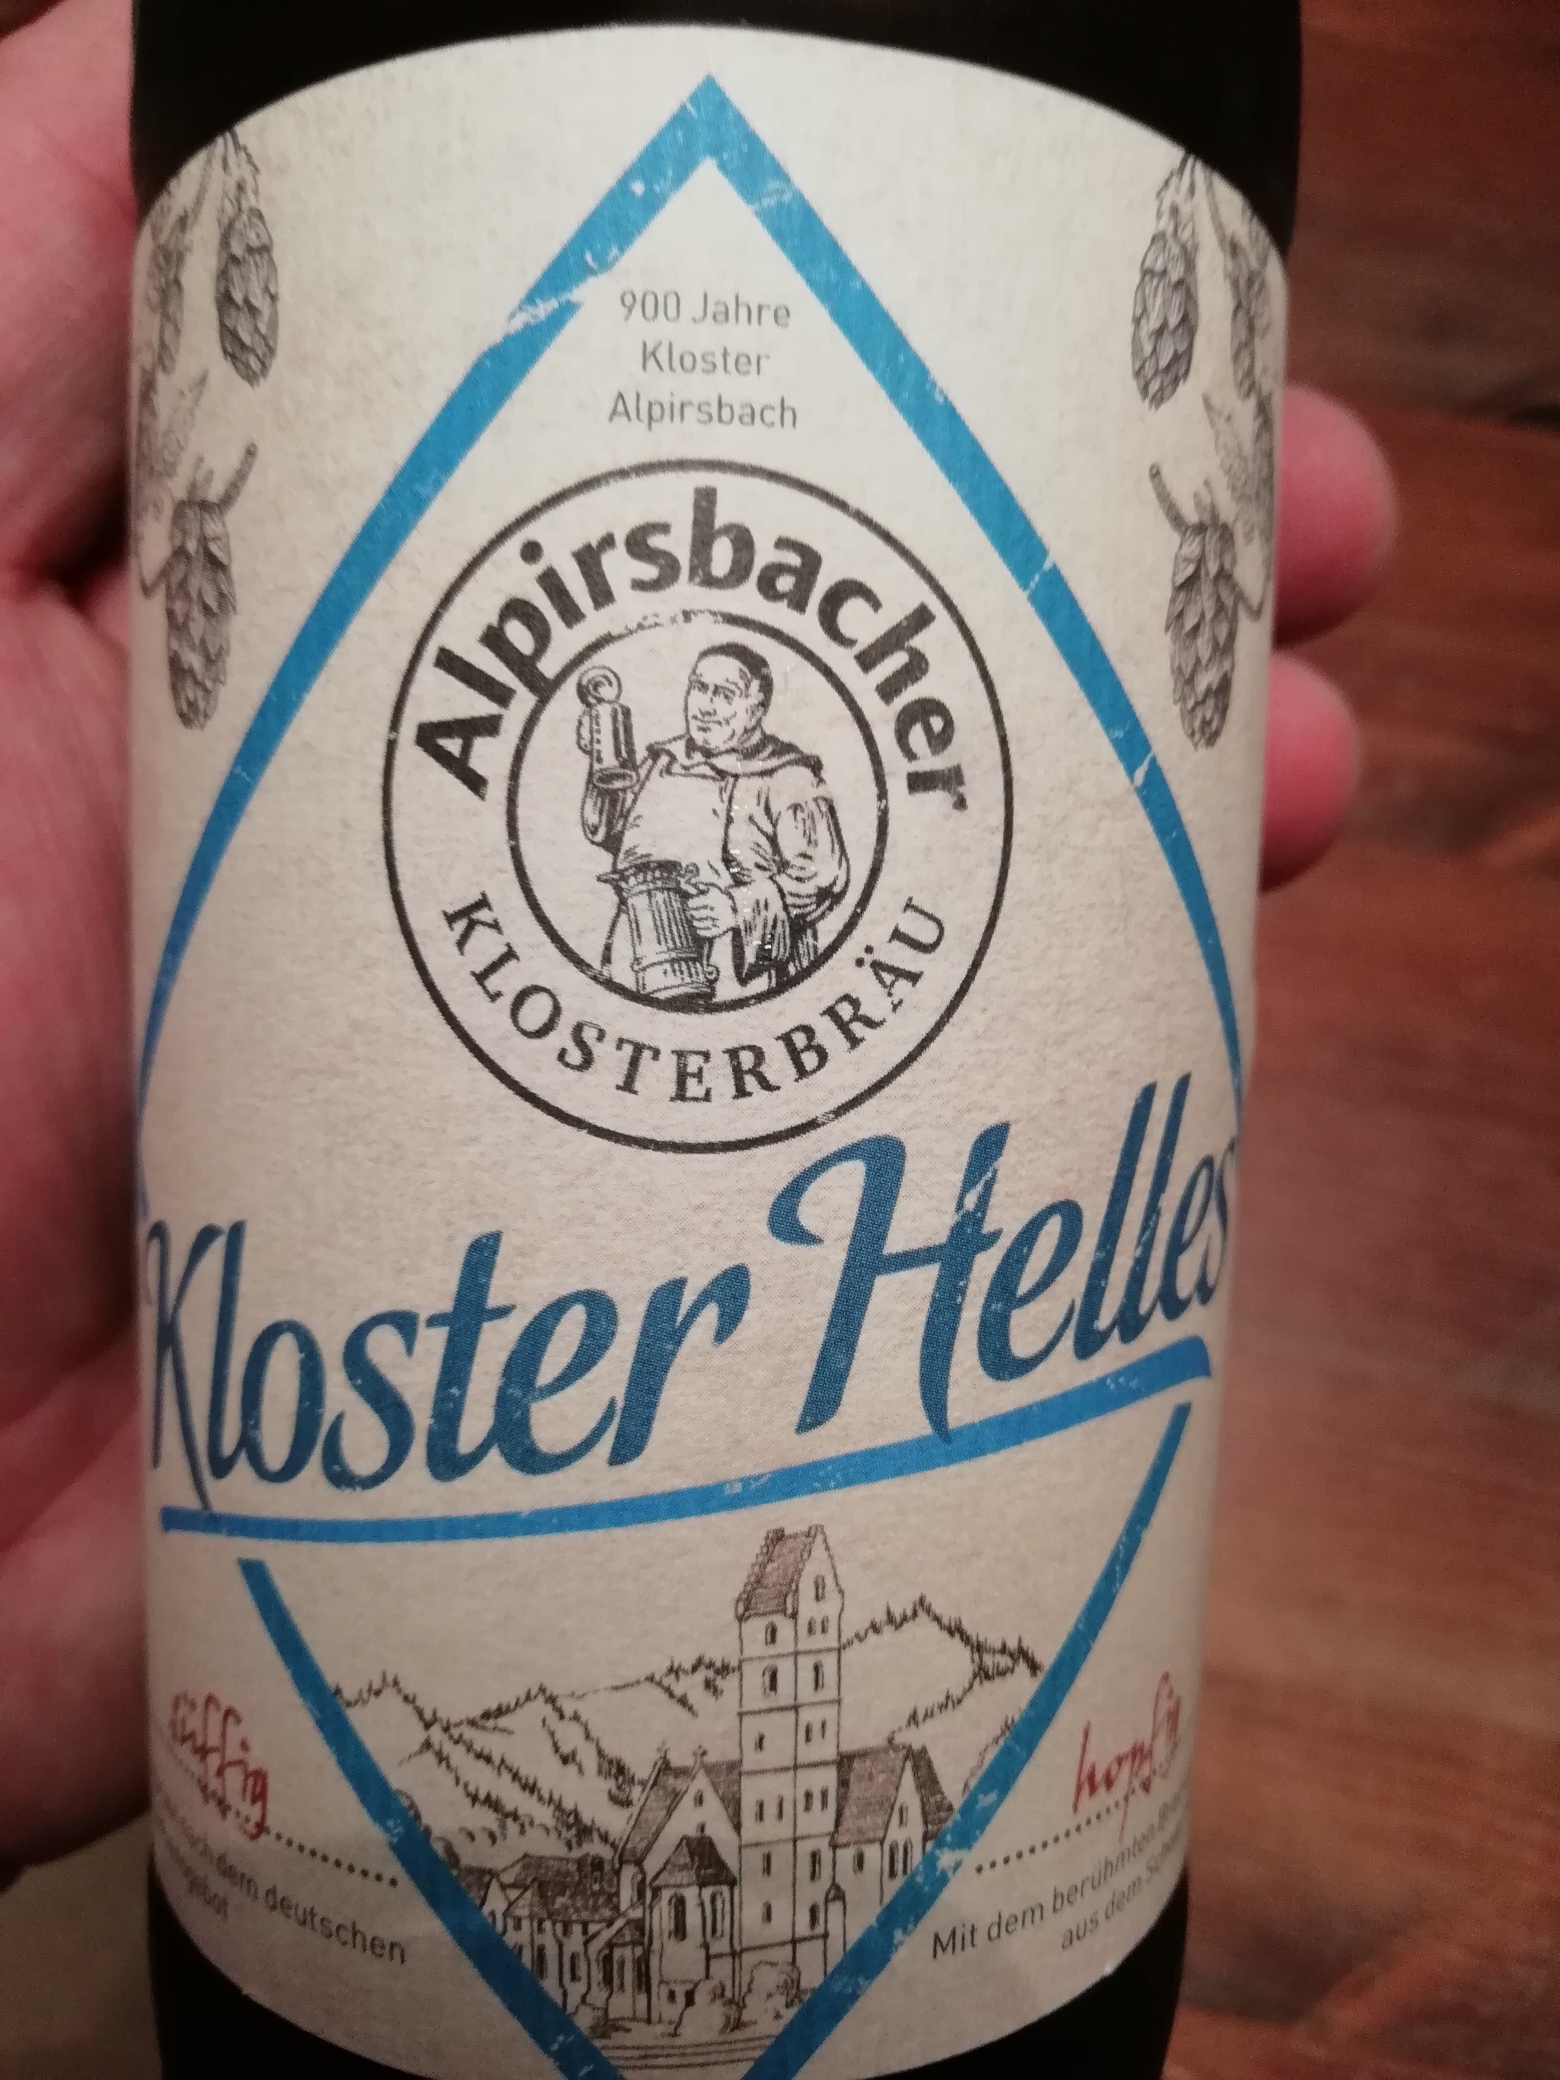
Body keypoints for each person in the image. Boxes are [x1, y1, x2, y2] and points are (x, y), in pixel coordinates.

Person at [0, 0, 1396, 1882]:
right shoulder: (645, 767)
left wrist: (769, 911)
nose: (723, 705)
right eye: (711, 691)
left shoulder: (802, 786)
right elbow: (600, 837)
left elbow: (815, 880)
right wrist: (598, 755)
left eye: (742, 688)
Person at [579, 642, 850, 1000]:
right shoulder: (663, 761)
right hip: (639, 959)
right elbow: (609, 832)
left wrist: (738, 907)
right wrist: (600, 759)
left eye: (724, 694)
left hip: (737, 975)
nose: (705, 706)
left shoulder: (789, 777)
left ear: (757, 708)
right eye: (699, 687)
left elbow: (824, 875)